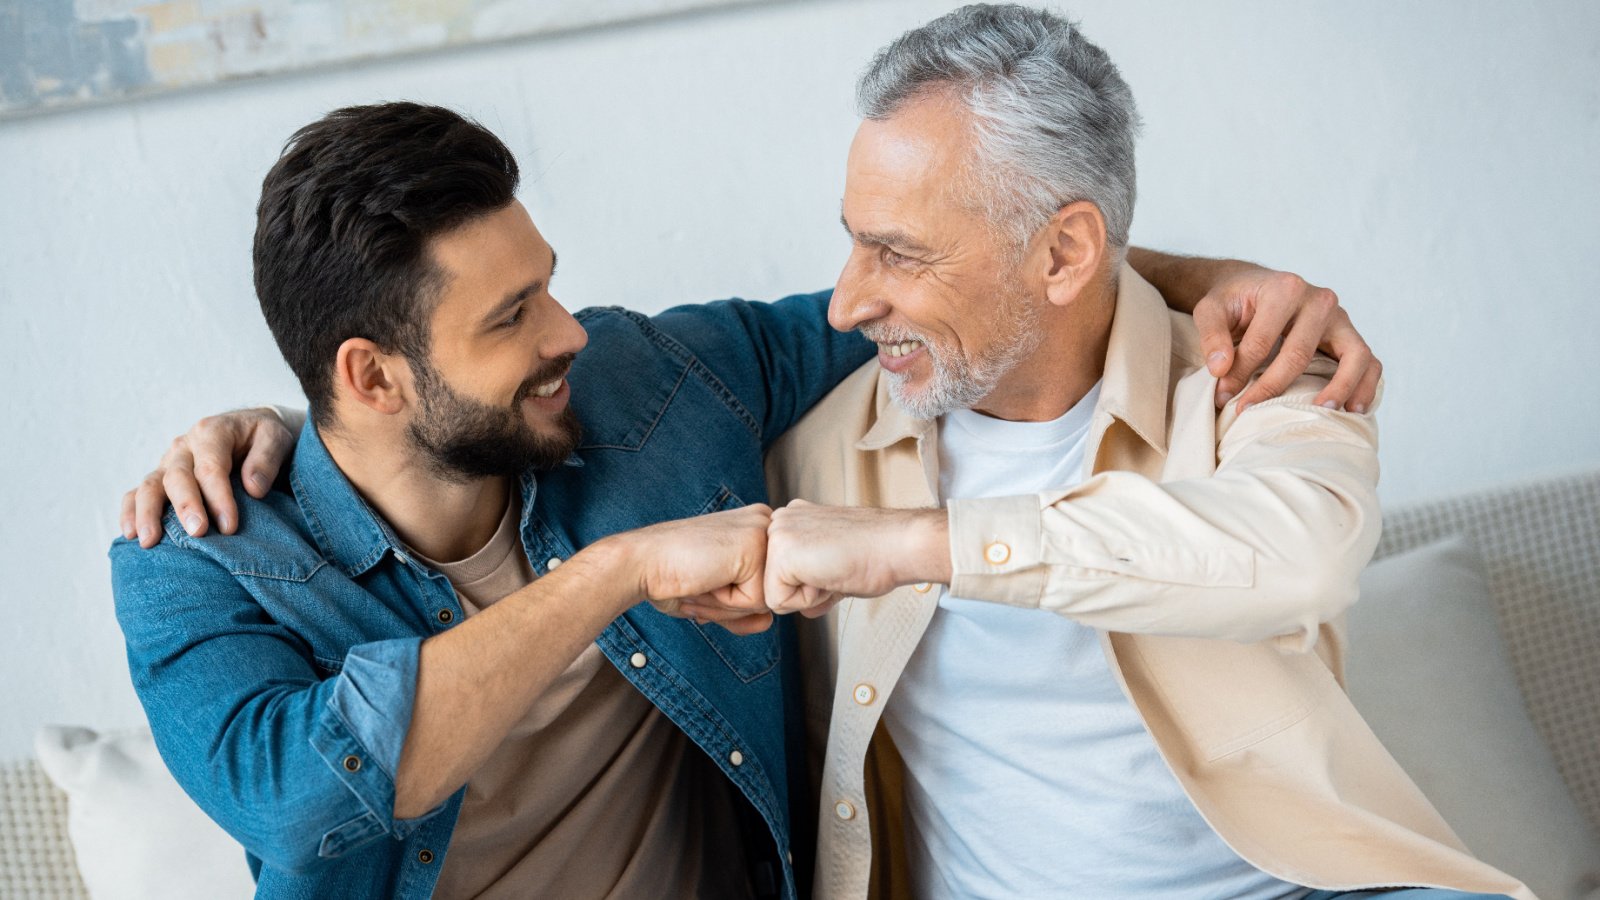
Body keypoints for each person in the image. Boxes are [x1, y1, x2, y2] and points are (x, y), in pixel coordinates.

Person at [120, 29, 1384, 900]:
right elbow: (296, 796)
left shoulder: (652, 384)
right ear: (369, 378)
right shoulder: (193, 564)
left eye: (547, 285)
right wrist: (615, 573)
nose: (570, 333)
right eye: (510, 321)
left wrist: (1221, 282)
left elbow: (951, 293)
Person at [750, 6, 1529, 900]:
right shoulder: (823, 450)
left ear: (1064, 252)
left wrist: (921, 544)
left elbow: (1296, 558)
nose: (845, 305)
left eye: (898, 253)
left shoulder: (1264, 380)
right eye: (855, 239)